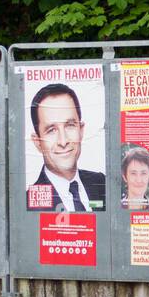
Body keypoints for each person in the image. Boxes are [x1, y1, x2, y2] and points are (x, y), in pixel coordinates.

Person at [26, 83, 106, 211]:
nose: (63, 141)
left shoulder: (101, 183)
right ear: (37, 142)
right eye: (51, 130)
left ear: (81, 130)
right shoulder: (27, 204)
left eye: (70, 125)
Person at [121, 144, 149, 209]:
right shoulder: (114, 209)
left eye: (143, 173)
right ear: (124, 177)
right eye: (133, 173)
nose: (139, 180)